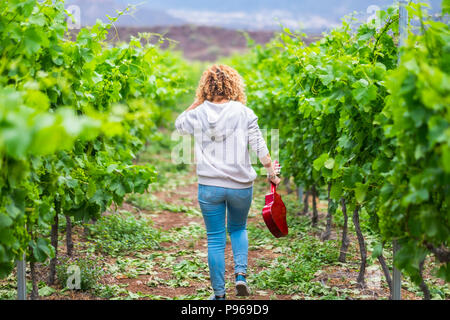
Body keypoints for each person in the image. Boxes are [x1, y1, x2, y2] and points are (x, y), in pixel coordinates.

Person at [175, 64, 281, 300]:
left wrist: (197, 102)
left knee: (214, 237)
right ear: (234, 85)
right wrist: (270, 172)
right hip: (240, 186)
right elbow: (259, 146)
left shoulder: (198, 113)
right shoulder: (243, 112)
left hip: (209, 187)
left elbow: (179, 124)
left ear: (205, 87)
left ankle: (219, 295)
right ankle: (241, 276)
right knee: (238, 228)